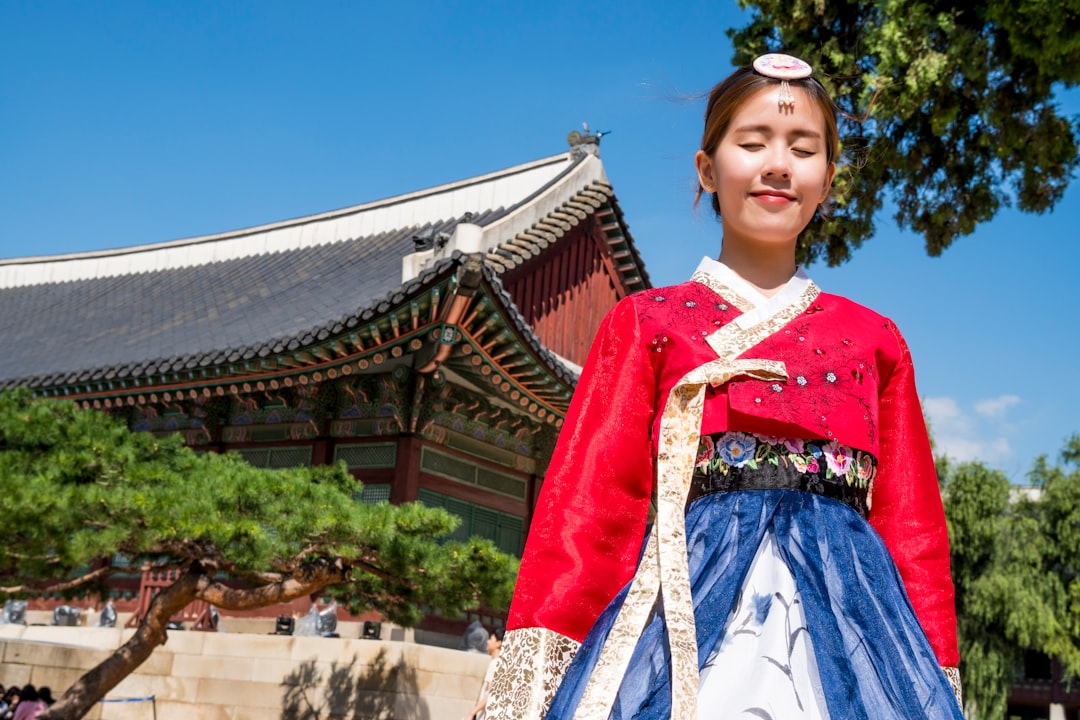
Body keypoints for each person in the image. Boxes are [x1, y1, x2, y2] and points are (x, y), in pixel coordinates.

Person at [486, 53, 964, 720]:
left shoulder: (875, 340)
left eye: (803, 148)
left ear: (827, 179)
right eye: (752, 142)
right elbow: (588, 512)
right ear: (707, 169)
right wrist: (532, 681)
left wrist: (931, 669)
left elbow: (911, 527)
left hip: (857, 630)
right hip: (688, 618)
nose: (777, 164)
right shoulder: (646, 323)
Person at [464, 627, 505, 720]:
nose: (487, 641)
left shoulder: (495, 664)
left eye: (491, 639)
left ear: (499, 643)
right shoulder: (502, 664)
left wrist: (471, 713)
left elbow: (491, 693)